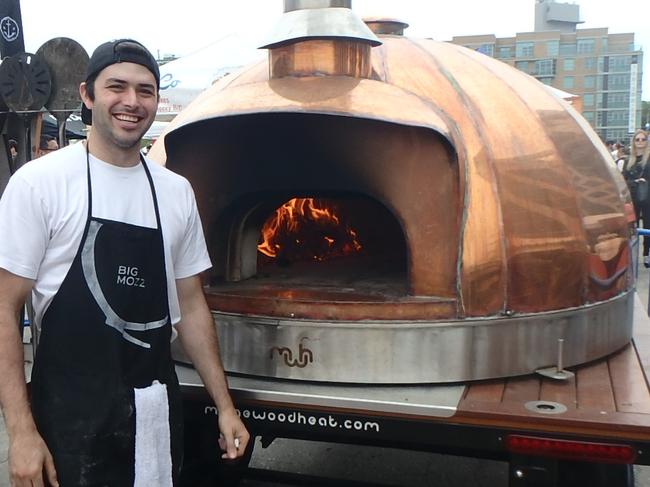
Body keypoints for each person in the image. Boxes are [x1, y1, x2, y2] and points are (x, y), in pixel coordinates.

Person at [0, 39, 249, 486]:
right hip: (67, 420)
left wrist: (225, 406)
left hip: (153, 413)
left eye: (146, 90)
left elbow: (190, 306)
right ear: (87, 94)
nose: (132, 102)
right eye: (117, 87)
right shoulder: (40, 184)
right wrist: (20, 433)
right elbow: (3, 309)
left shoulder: (175, 192)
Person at [622, 129, 650, 266]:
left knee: (647, 226)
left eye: (643, 139)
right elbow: (623, 180)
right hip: (632, 198)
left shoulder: (649, 159)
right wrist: (635, 182)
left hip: (647, 198)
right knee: (632, 228)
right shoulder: (628, 160)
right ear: (633, 142)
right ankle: (630, 256)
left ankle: (646, 254)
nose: (640, 142)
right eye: (637, 139)